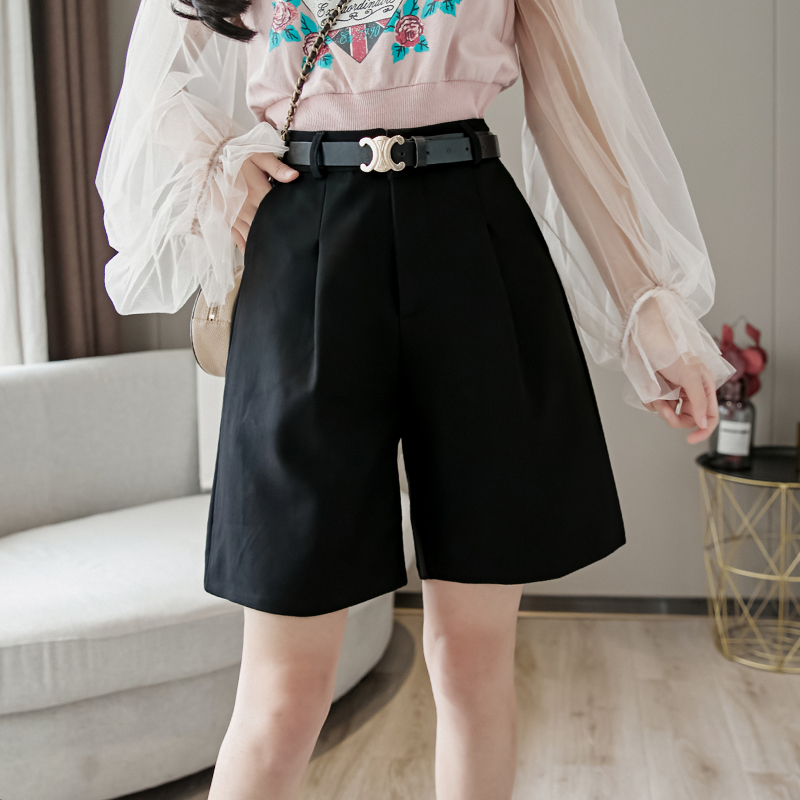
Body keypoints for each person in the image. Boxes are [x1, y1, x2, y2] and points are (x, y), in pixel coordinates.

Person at [96, 0, 735, 798]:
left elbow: (574, 118)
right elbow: (151, 90)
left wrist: (652, 311)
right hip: (306, 244)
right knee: (282, 690)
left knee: (472, 661)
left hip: (471, 243)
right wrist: (218, 160)